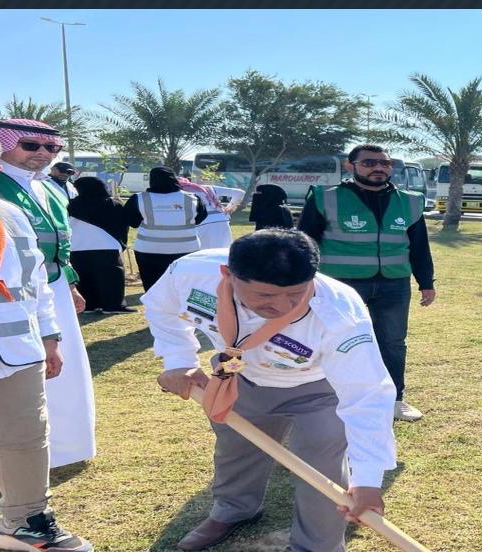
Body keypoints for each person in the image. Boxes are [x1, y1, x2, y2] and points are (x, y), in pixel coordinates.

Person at [142, 229, 396, 552]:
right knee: (235, 448)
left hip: (316, 389)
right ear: (228, 274)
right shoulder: (191, 274)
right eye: (265, 296)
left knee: (322, 467)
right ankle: (234, 510)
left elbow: (366, 394)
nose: (283, 306)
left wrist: (369, 479)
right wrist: (178, 360)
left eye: (296, 294)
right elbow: (160, 307)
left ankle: (316, 545)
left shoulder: (339, 313)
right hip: (237, 374)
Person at [0, 124, 92, 551]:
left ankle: (23, 525)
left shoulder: (9, 216)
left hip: (12, 354)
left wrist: (49, 336)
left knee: (24, 440)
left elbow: (35, 283)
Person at [298, 144, 435, 422]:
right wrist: (301, 280)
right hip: (341, 285)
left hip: (394, 284)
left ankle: (394, 400)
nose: (379, 168)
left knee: (392, 343)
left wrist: (426, 282)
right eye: (370, 163)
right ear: (351, 166)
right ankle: (331, 399)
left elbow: (419, 246)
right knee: (336, 340)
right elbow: (304, 241)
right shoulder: (326, 197)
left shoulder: (409, 201)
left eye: (385, 163)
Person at [124, 167, 207, 291]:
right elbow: (200, 218)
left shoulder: (139, 198)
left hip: (149, 251)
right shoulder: (192, 198)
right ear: (174, 179)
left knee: (153, 288)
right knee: (184, 287)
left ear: (151, 180)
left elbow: (132, 222)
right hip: (186, 249)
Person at [68, 175, 133, 314]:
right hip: (107, 246)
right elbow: (122, 224)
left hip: (77, 245)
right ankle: (112, 306)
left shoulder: (71, 204)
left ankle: (89, 306)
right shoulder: (112, 203)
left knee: (84, 277)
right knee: (111, 278)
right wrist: (121, 243)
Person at [179, 176, 245, 248]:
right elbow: (240, 193)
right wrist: (229, 208)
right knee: (223, 250)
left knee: (202, 252)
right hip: (221, 219)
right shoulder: (208, 188)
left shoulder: (179, 192)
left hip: (200, 222)